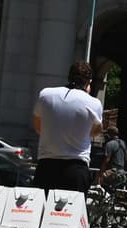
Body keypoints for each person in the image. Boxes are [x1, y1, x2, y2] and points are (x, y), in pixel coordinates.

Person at [32, 61, 102, 193]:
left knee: (42, 212)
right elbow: (96, 131)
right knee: (71, 213)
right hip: (76, 170)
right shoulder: (94, 103)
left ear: (69, 77)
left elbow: (38, 127)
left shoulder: (45, 94)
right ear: (89, 82)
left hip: (46, 167)